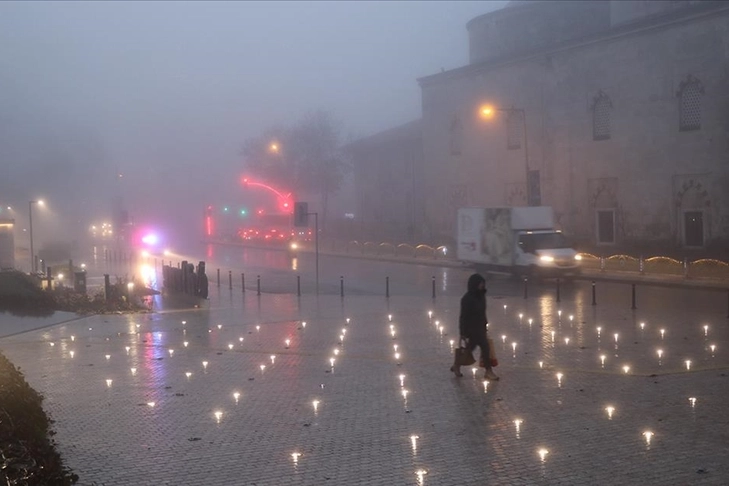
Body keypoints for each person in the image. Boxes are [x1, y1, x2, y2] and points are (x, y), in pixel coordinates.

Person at [451, 273, 499, 381]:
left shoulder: (481, 296)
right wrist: (462, 332)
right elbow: (463, 316)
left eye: (483, 283)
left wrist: (485, 324)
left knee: (473, 349)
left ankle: (457, 365)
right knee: (481, 348)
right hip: (471, 329)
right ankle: (488, 371)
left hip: (480, 328)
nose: (482, 286)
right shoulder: (466, 299)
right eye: (480, 284)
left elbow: (483, 312)